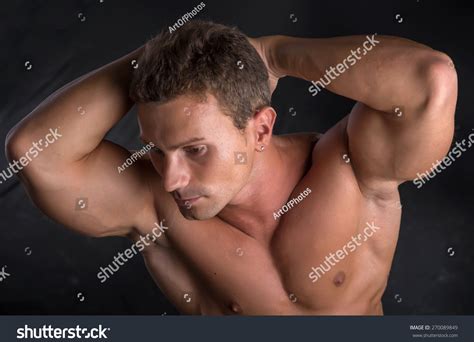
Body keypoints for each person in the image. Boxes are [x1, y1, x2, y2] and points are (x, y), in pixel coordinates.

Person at [5, 20, 457, 315]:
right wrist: (159, 53)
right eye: (159, 150)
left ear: (260, 130)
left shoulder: (349, 167)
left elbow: (429, 80)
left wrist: (274, 53)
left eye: (195, 149)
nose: (172, 178)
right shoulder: (153, 206)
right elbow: (34, 152)